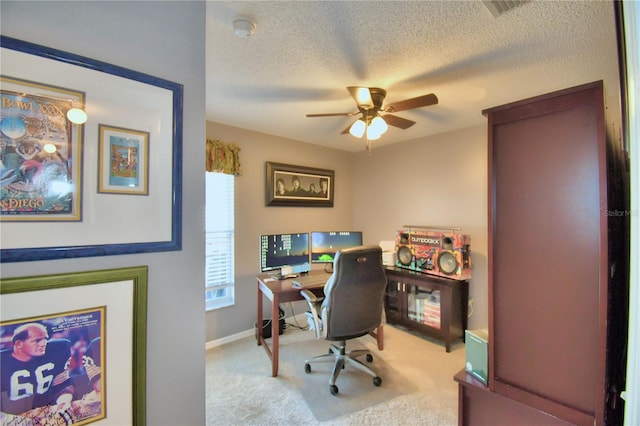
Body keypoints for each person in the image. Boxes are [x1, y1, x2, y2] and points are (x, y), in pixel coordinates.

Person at [0, 322, 74, 416]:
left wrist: (64, 401)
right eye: (37, 340)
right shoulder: (3, 362)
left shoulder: (58, 349)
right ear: (19, 344)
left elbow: (62, 383)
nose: (44, 343)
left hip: (45, 411)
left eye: (45, 339)